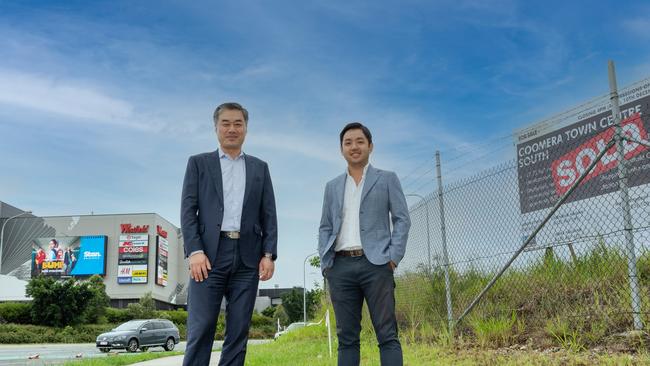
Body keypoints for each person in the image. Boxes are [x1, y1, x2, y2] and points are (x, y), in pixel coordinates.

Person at [181, 102, 277, 366]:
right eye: (226, 123)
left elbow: (268, 213)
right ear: (216, 127)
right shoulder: (199, 164)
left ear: (246, 128)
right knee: (201, 328)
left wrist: (269, 254)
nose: (232, 129)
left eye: (238, 123)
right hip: (208, 257)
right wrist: (195, 251)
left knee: (238, 331)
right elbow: (188, 211)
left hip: (248, 259)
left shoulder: (260, 168)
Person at [318, 122, 411, 366]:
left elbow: (402, 219)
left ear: (370, 146)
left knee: (387, 335)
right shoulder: (332, 186)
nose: (354, 146)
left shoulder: (387, 179)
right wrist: (327, 264)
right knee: (347, 339)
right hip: (340, 267)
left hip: (377, 265)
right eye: (348, 143)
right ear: (341, 149)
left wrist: (393, 256)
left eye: (360, 141)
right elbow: (325, 226)